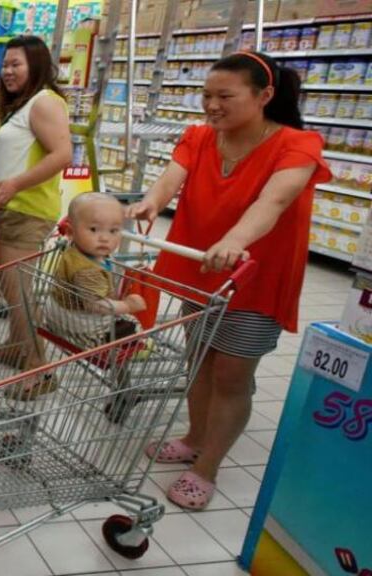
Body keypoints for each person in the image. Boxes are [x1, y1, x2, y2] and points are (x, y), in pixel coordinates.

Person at [127, 51, 330, 510]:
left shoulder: (298, 145)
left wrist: (236, 239)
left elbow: (274, 203)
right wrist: (150, 203)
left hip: (255, 276)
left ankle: (207, 466)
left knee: (233, 374)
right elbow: (171, 177)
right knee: (199, 358)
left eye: (225, 96)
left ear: (264, 96)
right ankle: (195, 436)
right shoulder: (200, 137)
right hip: (201, 269)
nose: (211, 105)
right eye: (206, 95)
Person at [0, 35, 72, 400]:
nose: (7, 71)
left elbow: (62, 154)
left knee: (18, 291)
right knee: (14, 291)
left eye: (16, 64)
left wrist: (15, 182)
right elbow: (26, 150)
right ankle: (16, 345)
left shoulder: (45, 102)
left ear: (37, 65)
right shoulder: (26, 105)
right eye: (6, 63)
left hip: (26, 211)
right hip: (9, 207)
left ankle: (38, 370)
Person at [46, 193, 147, 344]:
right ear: (71, 232)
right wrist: (127, 305)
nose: (104, 238)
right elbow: (95, 305)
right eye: (94, 229)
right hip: (81, 326)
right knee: (132, 325)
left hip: (61, 313)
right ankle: (134, 346)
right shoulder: (87, 271)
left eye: (113, 231)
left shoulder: (77, 250)